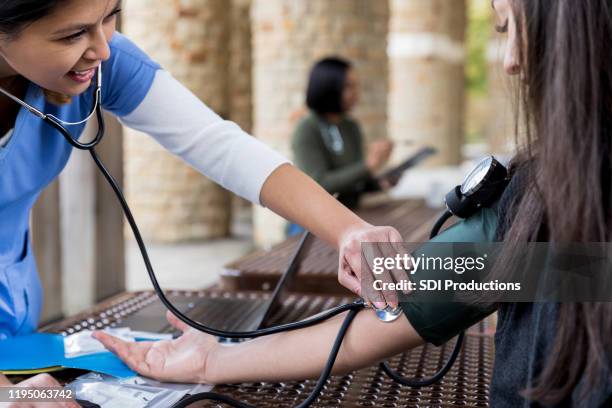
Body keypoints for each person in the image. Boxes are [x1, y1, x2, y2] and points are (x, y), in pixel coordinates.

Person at [96, 0, 612, 406]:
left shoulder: (534, 211)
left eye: (507, 26)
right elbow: (415, 299)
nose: (511, 60)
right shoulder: (541, 237)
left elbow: (392, 312)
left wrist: (214, 363)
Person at [0, 0, 408, 399]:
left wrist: (349, 230)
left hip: (16, 309)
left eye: (111, 16)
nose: (103, 48)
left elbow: (214, 142)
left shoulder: (104, 62)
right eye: (73, 34)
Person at [291, 57, 396, 211]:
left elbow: (354, 186)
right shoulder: (307, 128)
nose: (355, 93)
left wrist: (379, 183)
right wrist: (368, 165)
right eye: (348, 86)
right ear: (327, 86)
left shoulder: (351, 126)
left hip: (351, 216)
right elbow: (319, 184)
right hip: (314, 223)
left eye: (356, 86)